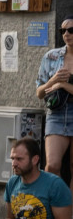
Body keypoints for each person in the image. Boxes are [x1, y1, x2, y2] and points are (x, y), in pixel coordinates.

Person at [37, 14, 73, 195]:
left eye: (71, 30)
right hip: (56, 114)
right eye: (63, 30)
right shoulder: (51, 57)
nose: (66, 34)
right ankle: (60, 207)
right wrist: (54, 80)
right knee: (52, 165)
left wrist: (63, 85)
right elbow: (39, 92)